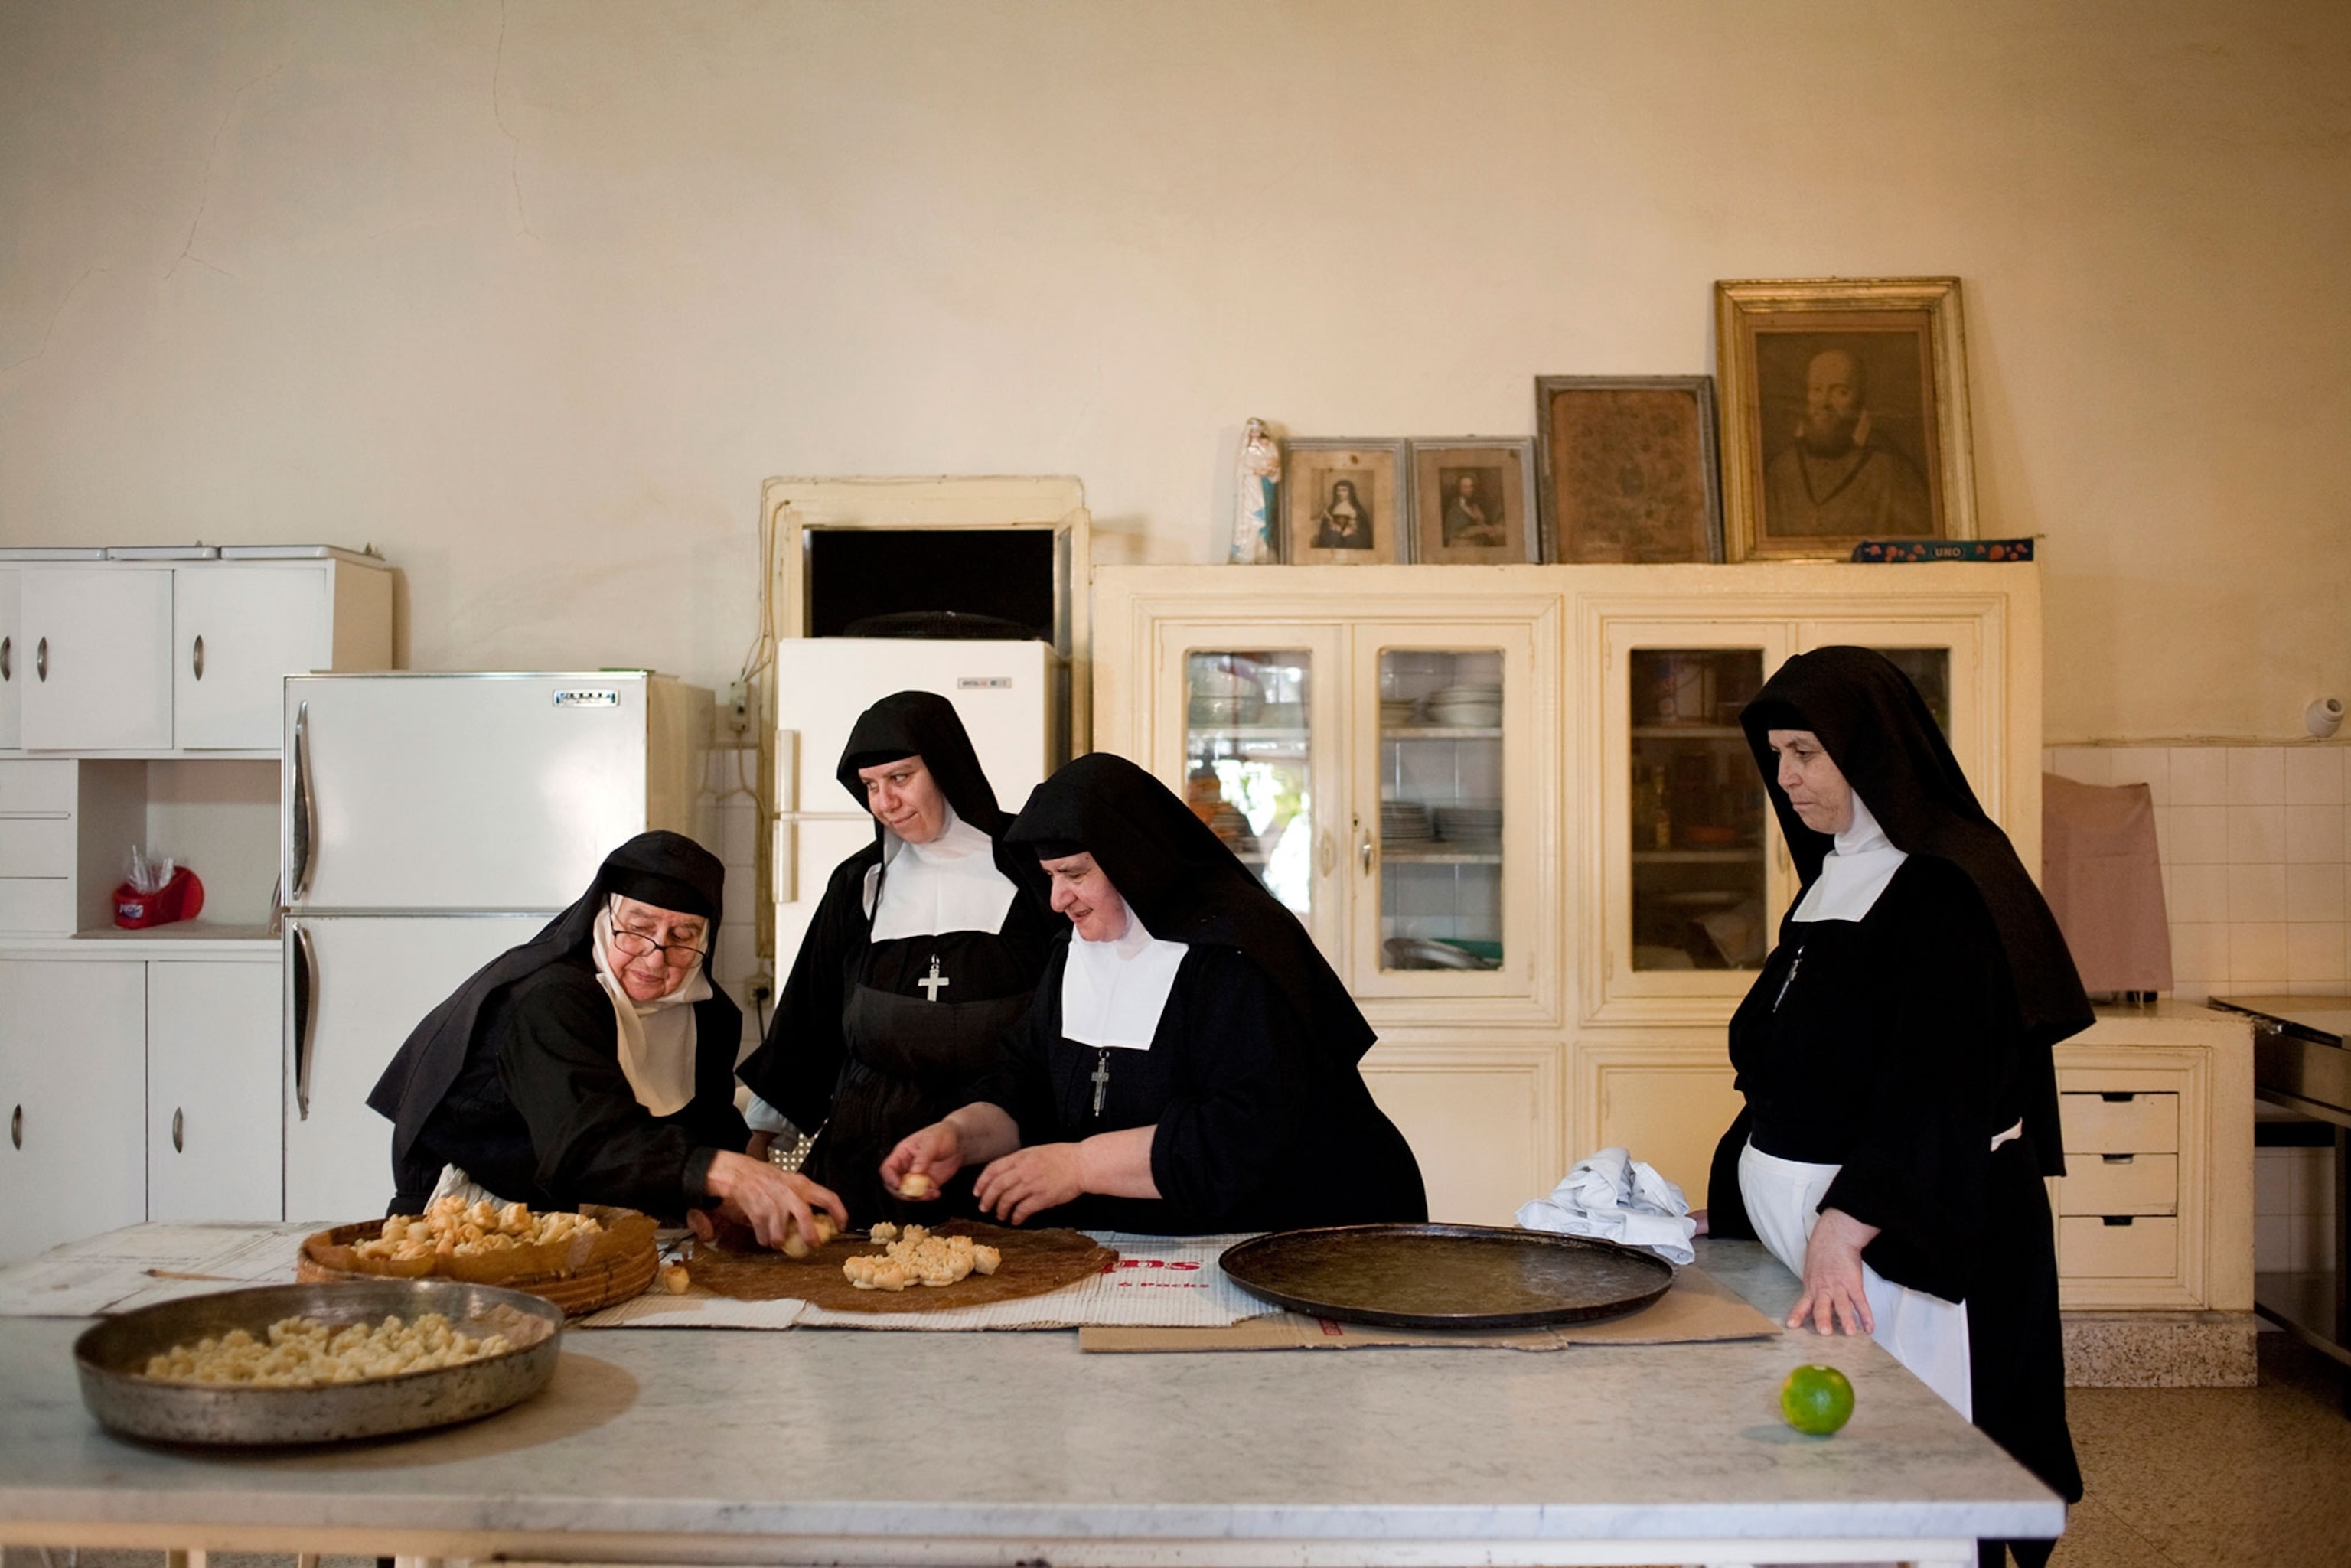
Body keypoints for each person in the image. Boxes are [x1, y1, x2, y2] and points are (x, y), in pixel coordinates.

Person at [1700, 647, 2089, 1568]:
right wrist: (1733, 1195)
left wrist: (1845, 1223)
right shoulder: (1837, 874)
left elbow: (1940, 1081)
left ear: (1872, 753)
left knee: (1909, 1479)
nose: (1785, 778)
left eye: (1807, 753)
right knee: (1827, 1481)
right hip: (1818, 1237)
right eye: (1779, 755)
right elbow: (1792, 1065)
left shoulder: (1947, 884)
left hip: (1896, 1240)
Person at [882, 751, 1427, 1234]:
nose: (1057, 900)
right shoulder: (1072, 951)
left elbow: (1242, 1135)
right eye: (1049, 876)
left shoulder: (1231, 956)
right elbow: (1024, 1080)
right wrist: (961, 1135)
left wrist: (1081, 1165)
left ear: (1132, 862)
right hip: (1142, 1243)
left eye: (1073, 873)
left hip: (1300, 1238)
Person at [368, 831, 840, 1249]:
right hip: (473, 1208)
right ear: (604, 914)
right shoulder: (551, 1000)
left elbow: (707, 1126)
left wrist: (727, 1200)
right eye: (638, 928)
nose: (656, 959)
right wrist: (723, 1175)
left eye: (683, 935)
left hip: (580, 1208)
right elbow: (586, 1142)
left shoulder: (706, 1014)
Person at [736, 691, 1056, 1224]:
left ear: (946, 767)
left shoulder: (1032, 867)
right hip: (863, 1156)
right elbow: (806, 1017)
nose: (885, 802)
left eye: (901, 778)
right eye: (870, 786)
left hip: (994, 1158)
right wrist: (759, 1144)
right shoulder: (859, 882)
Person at [1762, 349, 1933, 536]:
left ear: (1860, 400)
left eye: (1841, 392)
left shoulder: (1892, 472)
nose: (1825, 403)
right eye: (1817, 389)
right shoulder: (1781, 469)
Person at [1442, 471, 1504, 546]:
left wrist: (1490, 528)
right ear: (1459, 489)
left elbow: (1481, 522)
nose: (1470, 490)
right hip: (1461, 544)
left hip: (1478, 543)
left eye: (1471, 486)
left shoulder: (1474, 505)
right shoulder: (1455, 509)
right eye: (1465, 487)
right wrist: (1483, 529)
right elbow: (1458, 532)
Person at [1312, 478, 1372, 549]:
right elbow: (1325, 527)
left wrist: (1351, 531)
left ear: (1350, 492)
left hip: (1352, 540)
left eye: (1344, 490)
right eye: (1338, 490)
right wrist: (1332, 528)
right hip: (1334, 539)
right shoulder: (1332, 508)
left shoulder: (1357, 510)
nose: (1340, 493)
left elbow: (1364, 530)